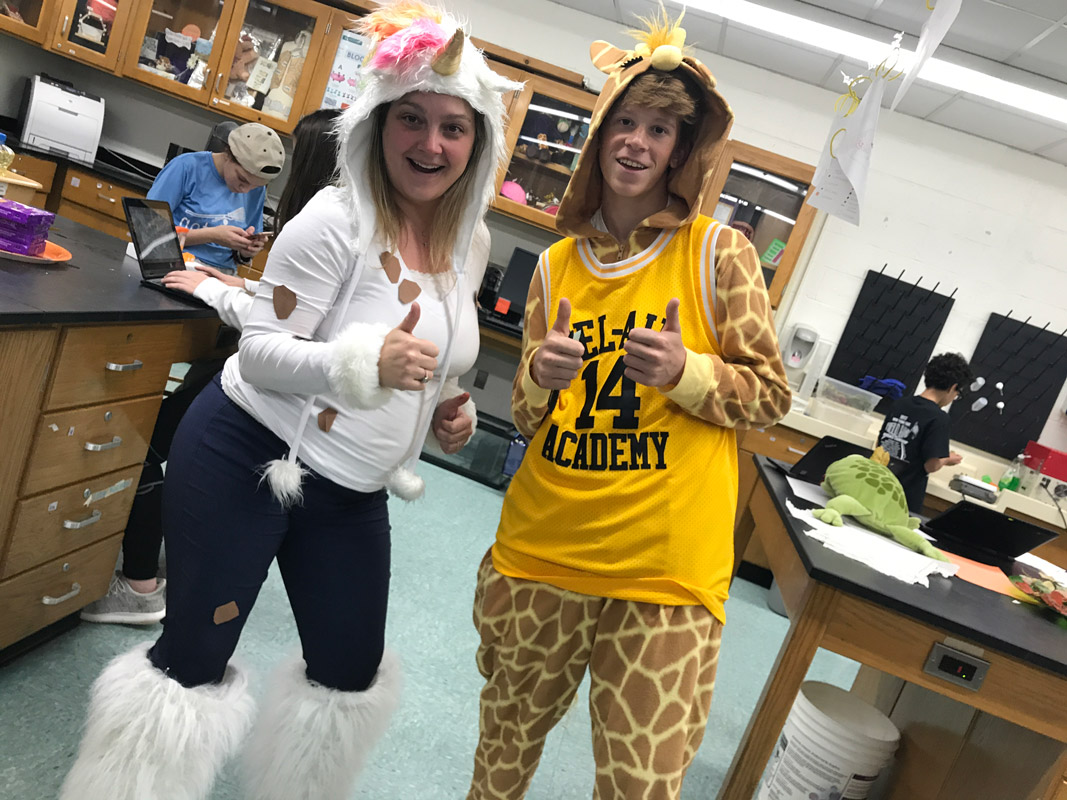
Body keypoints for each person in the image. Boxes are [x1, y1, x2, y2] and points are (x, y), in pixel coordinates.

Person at [60, 4, 519, 799]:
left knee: (348, 671)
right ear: (377, 124)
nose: (431, 143)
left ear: (479, 143)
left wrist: (449, 408)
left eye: (454, 126)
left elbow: (437, 350)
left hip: (353, 494)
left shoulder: (468, 241)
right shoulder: (335, 220)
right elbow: (264, 353)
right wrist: (358, 362)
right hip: (247, 452)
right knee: (192, 663)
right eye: (410, 119)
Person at [466, 10, 791, 800]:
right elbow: (527, 415)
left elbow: (770, 400)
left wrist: (687, 372)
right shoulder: (553, 264)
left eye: (657, 131)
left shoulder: (720, 253)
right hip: (543, 549)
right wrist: (539, 373)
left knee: (641, 783)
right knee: (499, 758)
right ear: (599, 133)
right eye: (624, 122)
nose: (636, 143)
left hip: (664, 573)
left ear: (680, 151)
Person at [78, 114, 339, 626]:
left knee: (144, 441)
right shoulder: (191, 170)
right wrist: (223, 261)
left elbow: (276, 312)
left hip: (250, 359)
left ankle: (139, 586)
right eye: (245, 179)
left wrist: (226, 279)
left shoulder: (316, 217)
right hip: (264, 366)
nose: (249, 190)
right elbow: (149, 238)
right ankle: (174, 568)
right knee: (176, 430)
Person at [147, 121, 284, 272]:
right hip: (176, 263)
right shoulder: (186, 167)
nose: (246, 190)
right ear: (228, 154)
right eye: (242, 179)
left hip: (221, 275)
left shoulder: (255, 191)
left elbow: (238, 257)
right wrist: (212, 235)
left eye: (256, 186)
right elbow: (148, 231)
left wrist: (245, 252)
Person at [878, 352, 972, 513]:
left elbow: (879, 446)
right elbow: (932, 465)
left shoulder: (900, 404)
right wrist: (947, 459)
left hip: (876, 486)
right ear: (953, 387)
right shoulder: (939, 418)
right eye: (958, 393)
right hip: (902, 499)